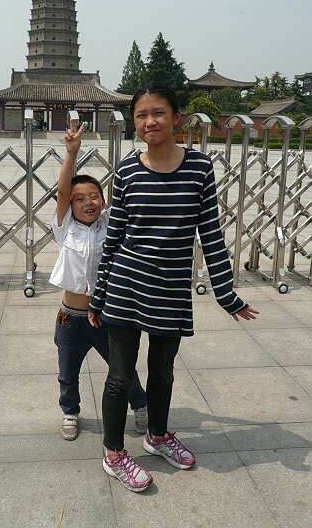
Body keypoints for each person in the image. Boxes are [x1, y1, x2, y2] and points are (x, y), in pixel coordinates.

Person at [88, 83, 259, 492]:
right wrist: (99, 295)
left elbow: (211, 236)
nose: (150, 121)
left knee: (162, 372)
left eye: (159, 112)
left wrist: (226, 294)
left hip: (170, 290)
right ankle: (114, 453)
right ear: (135, 121)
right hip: (127, 287)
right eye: (142, 114)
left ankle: (157, 436)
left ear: (176, 117)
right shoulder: (127, 171)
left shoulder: (200, 168)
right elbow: (114, 240)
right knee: (120, 376)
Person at [49, 119, 147, 441]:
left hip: (107, 316)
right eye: (80, 198)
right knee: (68, 372)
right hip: (70, 318)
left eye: (94, 196)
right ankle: (70, 412)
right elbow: (63, 190)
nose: (88, 202)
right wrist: (70, 153)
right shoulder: (65, 228)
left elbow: (129, 200)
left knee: (122, 369)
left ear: (103, 203)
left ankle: (141, 405)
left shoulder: (110, 225)